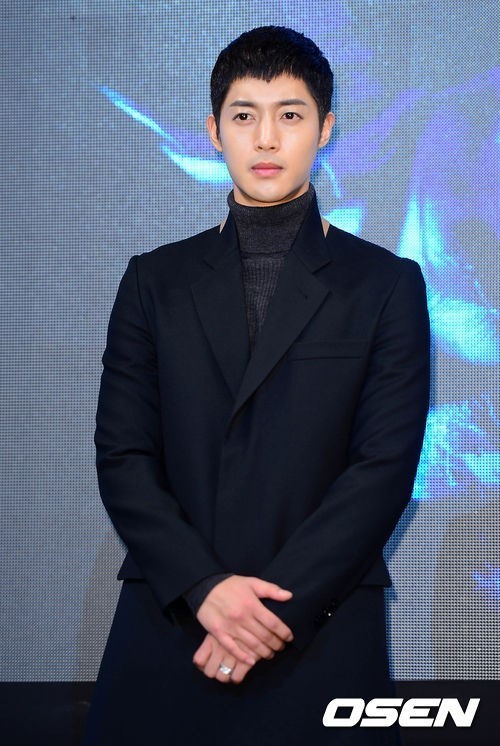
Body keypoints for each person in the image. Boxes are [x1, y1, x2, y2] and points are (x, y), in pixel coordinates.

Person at [82, 25, 430, 745]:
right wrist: (205, 589)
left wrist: (270, 612)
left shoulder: (386, 284)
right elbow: (122, 455)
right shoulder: (154, 281)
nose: (266, 138)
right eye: (244, 115)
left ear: (325, 129)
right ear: (214, 131)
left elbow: (383, 468)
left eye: (290, 114)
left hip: (321, 624)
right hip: (175, 617)